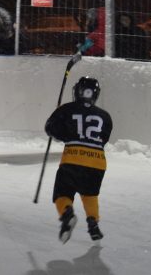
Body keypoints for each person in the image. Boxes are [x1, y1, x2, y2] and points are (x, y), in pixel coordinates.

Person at [44, 76, 113, 244]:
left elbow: (50, 129)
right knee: (90, 194)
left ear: (77, 91)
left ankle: (67, 214)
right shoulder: (105, 116)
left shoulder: (66, 109)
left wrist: (58, 120)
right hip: (97, 163)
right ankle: (93, 223)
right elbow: (103, 139)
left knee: (63, 192)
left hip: (72, 159)